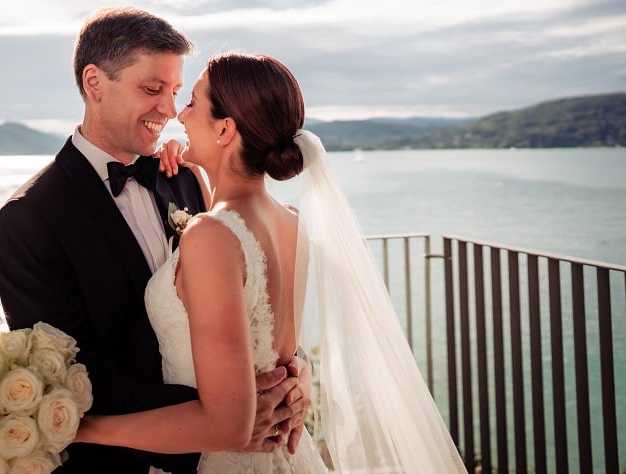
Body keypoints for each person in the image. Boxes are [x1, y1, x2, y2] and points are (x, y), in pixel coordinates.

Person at [74, 53, 467, 473]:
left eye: (191, 102)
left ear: (225, 129)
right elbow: (280, 352)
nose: (179, 115)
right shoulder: (291, 223)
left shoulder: (211, 235)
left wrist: (86, 429)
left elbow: (229, 424)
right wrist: (300, 377)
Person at [0, 8, 309, 473]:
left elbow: (245, 301)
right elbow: (66, 377)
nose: (169, 110)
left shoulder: (185, 180)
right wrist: (233, 413)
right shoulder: (30, 218)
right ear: (95, 83)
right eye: (152, 89)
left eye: (177, 92)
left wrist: (290, 377)